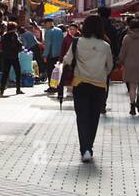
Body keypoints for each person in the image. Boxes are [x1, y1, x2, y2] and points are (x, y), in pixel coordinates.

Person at [66, 15, 114, 163]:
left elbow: (67, 60)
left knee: (82, 118)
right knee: (93, 118)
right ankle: (89, 148)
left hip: (80, 84)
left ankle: (85, 149)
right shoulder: (105, 45)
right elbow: (110, 66)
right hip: (99, 86)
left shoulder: (77, 42)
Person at [117, 19, 139, 116]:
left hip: (129, 65)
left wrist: (119, 62)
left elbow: (122, 52)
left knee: (132, 87)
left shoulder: (126, 38)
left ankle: (132, 107)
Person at [0, 21, 25, 95]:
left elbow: (2, 46)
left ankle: (1, 90)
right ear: (14, 28)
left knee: (5, 73)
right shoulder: (14, 35)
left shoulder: (4, 35)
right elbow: (18, 44)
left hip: (5, 56)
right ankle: (18, 89)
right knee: (18, 73)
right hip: (14, 56)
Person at [56, 23, 79, 105]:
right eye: (70, 29)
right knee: (62, 78)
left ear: (77, 30)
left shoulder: (80, 38)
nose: (72, 31)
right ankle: (60, 94)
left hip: (76, 61)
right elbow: (62, 50)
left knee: (75, 77)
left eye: (73, 29)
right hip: (67, 61)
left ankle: (76, 94)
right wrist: (60, 60)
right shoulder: (66, 39)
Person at [43, 18, 65, 93]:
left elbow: (48, 45)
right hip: (59, 54)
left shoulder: (48, 32)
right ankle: (58, 86)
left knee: (50, 72)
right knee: (57, 71)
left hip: (51, 54)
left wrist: (45, 55)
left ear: (48, 23)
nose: (45, 26)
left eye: (45, 24)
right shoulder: (59, 30)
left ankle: (52, 87)